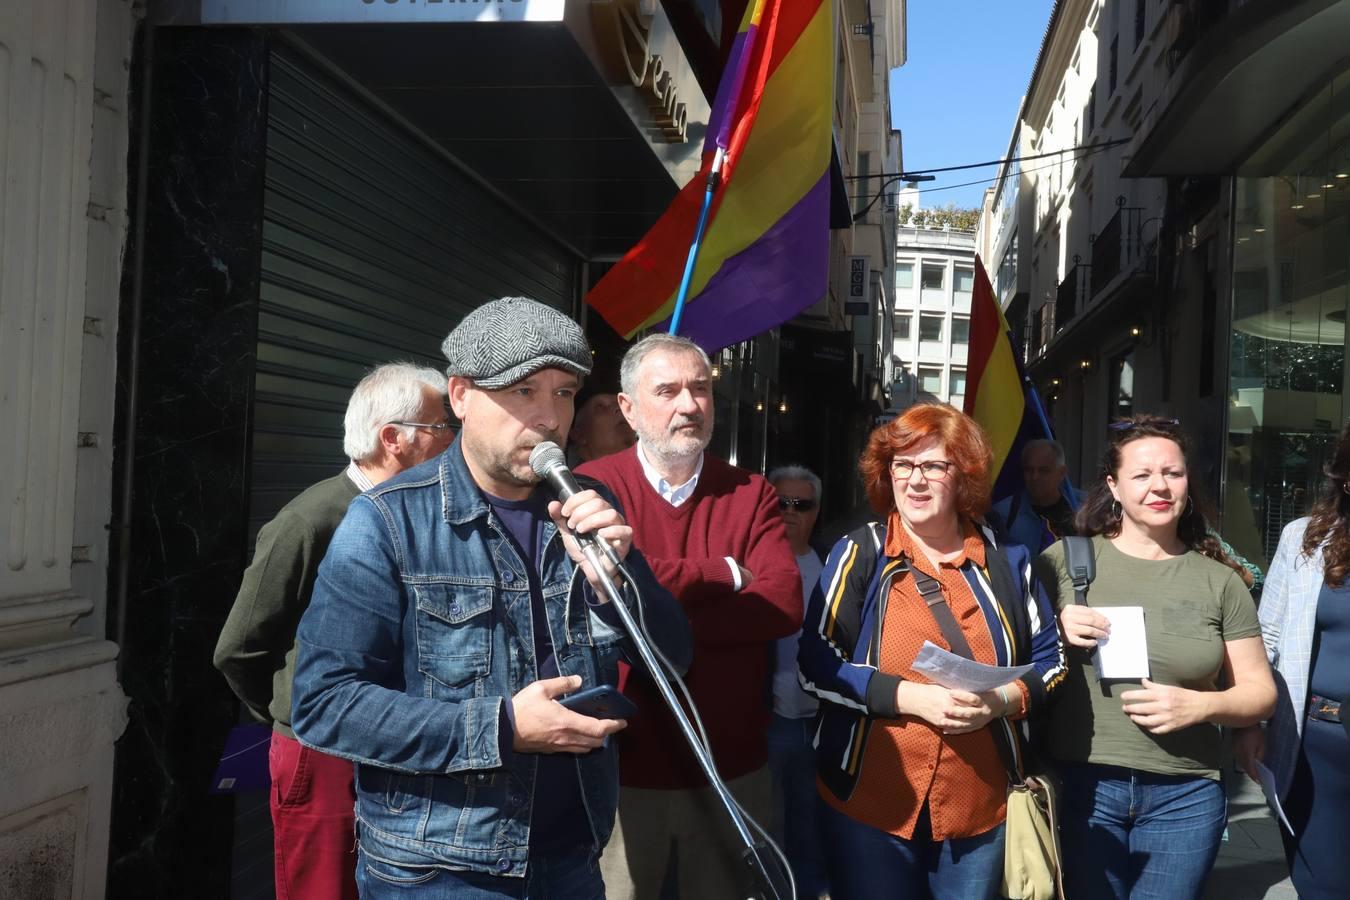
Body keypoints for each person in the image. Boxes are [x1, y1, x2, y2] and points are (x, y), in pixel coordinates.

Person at [290, 297, 692, 898]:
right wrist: (501, 726)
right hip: (439, 872)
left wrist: (620, 577)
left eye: (563, 392)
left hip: (573, 859)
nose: (550, 417)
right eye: (523, 390)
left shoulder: (589, 507)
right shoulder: (385, 522)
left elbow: (675, 660)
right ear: (459, 396)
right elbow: (325, 706)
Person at [797, 403, 1067, 900]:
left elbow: (1053, 663)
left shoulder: (1009, 562)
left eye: (933, 465)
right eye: (903, 465)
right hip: (869, 807)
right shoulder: (860, 553)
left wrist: (999, 701)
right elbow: (815, 662)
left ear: (963, 475)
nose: (915, 480)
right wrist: (907, 698)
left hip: (979, 810)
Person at [213, 362, 452, 900]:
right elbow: (241, 649)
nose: (454, 442)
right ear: (394, 439)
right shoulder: (311, 520)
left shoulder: (423, 512)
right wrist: (293, 716)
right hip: (322, 757)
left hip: (403, 747)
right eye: (443, 428)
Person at [577, 333, 802, 900]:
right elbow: (589, 598)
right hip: (625, 774)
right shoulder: (593, 487)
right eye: (668, 390)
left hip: (732, 773)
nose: (689, 404)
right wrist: (722, 574)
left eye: (700, 389)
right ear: (627, 408)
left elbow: (782, 603)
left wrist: (648, 609)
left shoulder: (751, 493)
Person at [1036, 414, 1277, 900]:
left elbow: (1261, 692)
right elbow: (1012, 658)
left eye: (1173, 473)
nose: (1159, 487)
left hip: (1185, 796)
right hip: (1082, 788)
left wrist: (1201, 707)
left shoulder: (1220, 581)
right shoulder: (1062, 562)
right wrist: (1053, 629)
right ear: (1114, 486)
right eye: (1142, 475)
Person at [1234, 421, 1350, 899]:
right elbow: (1268, 635)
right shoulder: (1304, 539)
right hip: (1319, 745)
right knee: (1323, 886)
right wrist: (1248, 724)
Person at [766, 465, 830, 900]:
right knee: (766, 824)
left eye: (800, 504)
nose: (789, 512)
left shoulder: (833, 566)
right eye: (780, 502)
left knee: (810, 826)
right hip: (765, 718)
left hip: (820, 722)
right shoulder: (750, 562)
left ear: (816, 511)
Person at [990, 439, 1076, 553]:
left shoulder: (1082, 507)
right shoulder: (1003, 514)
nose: (1035, 477)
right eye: (1029, 470)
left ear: (1061, 473)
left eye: (1044, 471)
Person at [568, 390, 636, 464]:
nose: (619, 408)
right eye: (600, 407)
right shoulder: (570, 475)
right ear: (578, 434)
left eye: (622, 404)